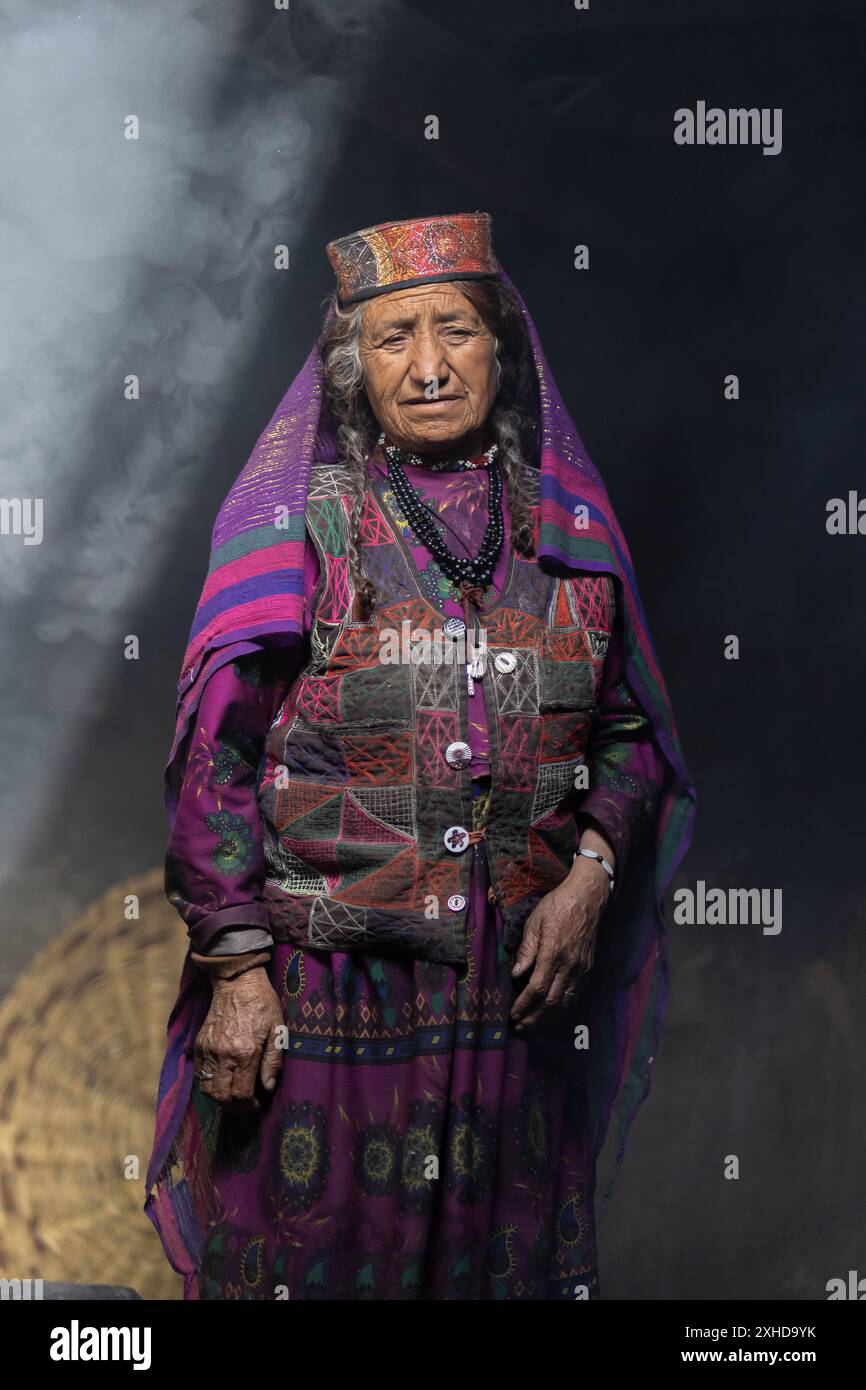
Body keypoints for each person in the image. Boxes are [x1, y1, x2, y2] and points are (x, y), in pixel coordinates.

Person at [144, 211, 695, 1300]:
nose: (431, 366)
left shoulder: (566, 535)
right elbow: (214, 761)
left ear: (502, 348)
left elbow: (630, 738)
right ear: (354, 369)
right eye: (395, 338)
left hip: (513, 1004)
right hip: (331, 996)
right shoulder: (303, 529)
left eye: (455, 330)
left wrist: (588, 875)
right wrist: (239, 972)